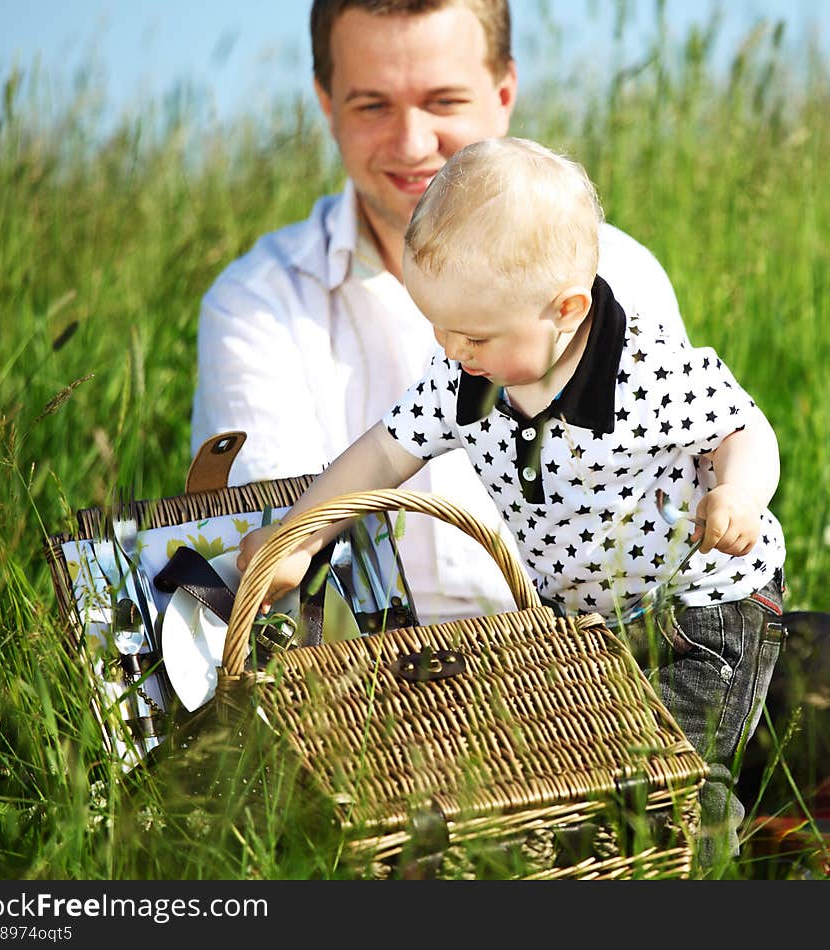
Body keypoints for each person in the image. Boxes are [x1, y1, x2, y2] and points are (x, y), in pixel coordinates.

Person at [238, 137, 786, 872]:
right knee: (590, 772)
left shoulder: (646, 372)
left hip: (702, 606)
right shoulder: (465, 377)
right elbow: (380, 455)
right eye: (435, 325)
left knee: (681, 777)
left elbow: (741, 427)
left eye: (472, 334)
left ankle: (707, 872)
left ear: (565, 309)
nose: (450, 348)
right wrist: (302, 534)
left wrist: (738, 491)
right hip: (585, 621)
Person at [191, 0, 689, 624]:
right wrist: (297, 539)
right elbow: (289, 549)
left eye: (445, 101)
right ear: (326, 103)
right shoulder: (257, 303)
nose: (413, 143)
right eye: (372, 104)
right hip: (366, 682)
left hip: (594, 653)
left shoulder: (617, 275)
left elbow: (671, 492)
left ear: (503, 92)